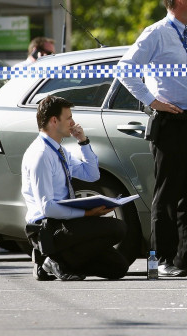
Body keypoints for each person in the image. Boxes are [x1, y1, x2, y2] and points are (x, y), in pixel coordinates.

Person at [117, 0, 187, 277]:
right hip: (169, 122)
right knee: (168, 194)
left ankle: (186, 257)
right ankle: (163, 259)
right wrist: (152, 100)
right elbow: (125, 69)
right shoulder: (156, 34)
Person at [22, 96, 128, 281]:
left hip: (64, 224)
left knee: (117, 268)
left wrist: (83, 141)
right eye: (68, 117)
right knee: (117, 228)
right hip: (45, 227)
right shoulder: (40, 154)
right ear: (54, 121)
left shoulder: (59, 150)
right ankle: (51, 258)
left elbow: (91, 174)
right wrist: (88, 214)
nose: (73, 122)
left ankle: (50, 262)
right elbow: (48, 207)